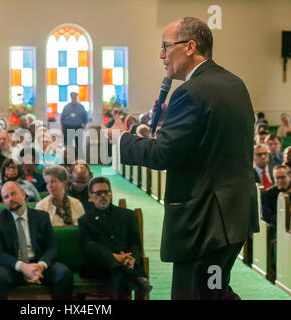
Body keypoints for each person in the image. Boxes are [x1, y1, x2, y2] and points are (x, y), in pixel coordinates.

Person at [104, 17, 258, 300]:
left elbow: (162, 154)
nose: (161, 55)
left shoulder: (190, 91)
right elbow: (207, 145)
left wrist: (121, 139)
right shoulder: (234, 83)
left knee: (195, 294)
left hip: (205, 222)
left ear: (189, 47)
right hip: (234, 215)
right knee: (215, 290)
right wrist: (169, 124)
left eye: (165, 47)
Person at [0, 181, 73, 300]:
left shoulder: (42, 216)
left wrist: (41, 266)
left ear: (23, 194)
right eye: (6, 197)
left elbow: (52, 247)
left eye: (14, 193)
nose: (10, 198)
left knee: (64, 274)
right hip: (13, 267)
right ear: (3, 202)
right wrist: (23, 267)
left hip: (38, 264)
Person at [78, 177, 151, 299]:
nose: (103, 196)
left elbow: (135, 243)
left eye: (106, 192)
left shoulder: (128, 215)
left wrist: (132, 259)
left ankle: (126, 270)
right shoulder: (85, 220)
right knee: (94, 247)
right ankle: (136, 277)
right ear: (90, 196)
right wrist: (113, 257)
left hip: (127, 264)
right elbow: (88, 247)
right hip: (99, 267)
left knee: (118, 276)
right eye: (98, 193)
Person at [60, 92, 89, 160]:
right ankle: (67, 160)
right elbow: (62, 119)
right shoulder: (66, 107)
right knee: (68, 145)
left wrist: (83, 128)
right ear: (70, 97)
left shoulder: (81, 107)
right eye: (72, 96)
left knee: (79, 146)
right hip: (67, 128)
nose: (73, 98)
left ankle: (80, 160)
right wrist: (62, 129)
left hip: (78, 128)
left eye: (75, 96)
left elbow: (85, 119)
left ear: (77, 97)